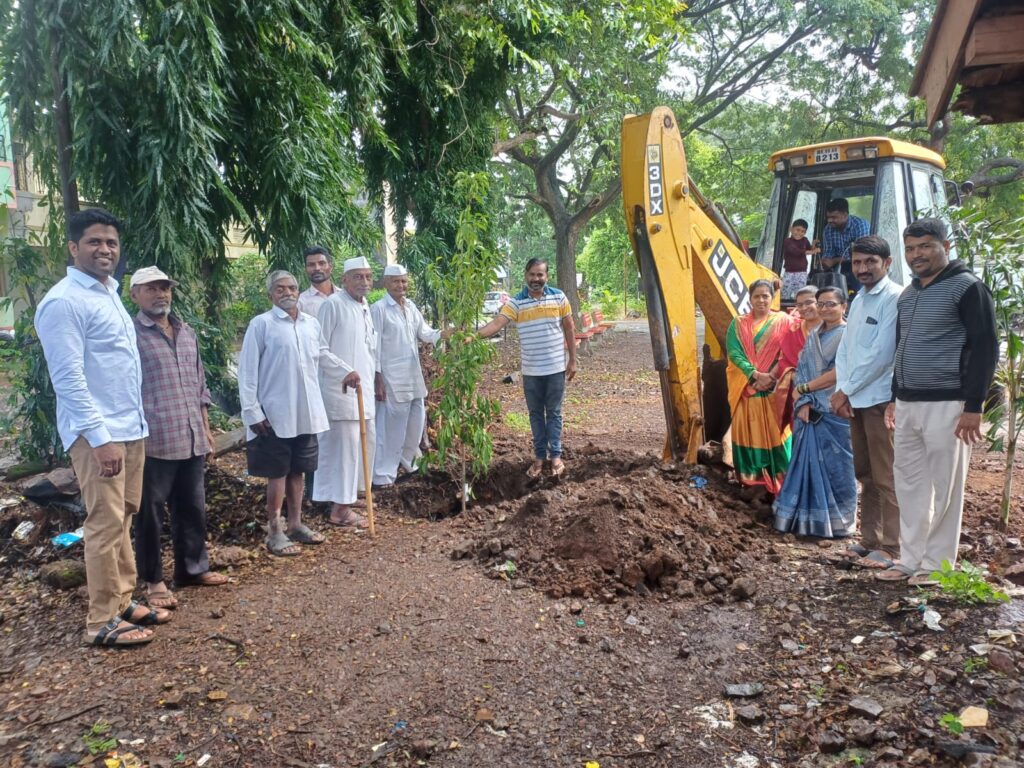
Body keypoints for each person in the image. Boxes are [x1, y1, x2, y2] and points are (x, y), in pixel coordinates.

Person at [36, 209, 170, 647]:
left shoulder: (109, 293)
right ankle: (101, 620)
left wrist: (132, 430)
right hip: (100, 435)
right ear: (73, 248)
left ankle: (122, 600)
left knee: (124, 515)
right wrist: (99, 438)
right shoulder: (63, 302)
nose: (105, 249)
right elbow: (69, 377)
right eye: (94, 242)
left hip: (130, 427)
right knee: (104, 522)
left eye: (111, 242)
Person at [878, 218, 997, 584]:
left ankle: (938, 566)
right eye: (911, 248)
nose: (917, 255)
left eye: (925, 246)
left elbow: (985, 348)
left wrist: (974, 406)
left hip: (949, 403)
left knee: (946, 487)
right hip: (909, 403)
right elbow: (902, 347)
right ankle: (910, 559)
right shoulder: (909, 294)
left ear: (945, 246)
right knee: (909, 484)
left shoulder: (967, 288)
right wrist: (895, 396)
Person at [131, 266, 228, 610]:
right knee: (150, 514)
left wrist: (205, 429)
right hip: (153, 440)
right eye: (152, 289)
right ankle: (153, 580)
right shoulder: (131, 335)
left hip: (190, 436)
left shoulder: (186, 333)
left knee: (192, 508)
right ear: (135, 296)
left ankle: (191, 569)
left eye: (165, 288)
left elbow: (199, 386)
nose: (161, 294)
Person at [238, 270, 347, 555]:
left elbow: (323, 354)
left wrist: (348, 372)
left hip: (306, 411)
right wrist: (252, 412)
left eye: (292, 287)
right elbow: (247, 372)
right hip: (274, 414)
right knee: (277, 473)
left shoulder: (311, 324)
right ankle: (275, 530)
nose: (287, 292)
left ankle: (296, 524)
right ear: (270, 294)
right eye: (280, 288)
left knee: (298, 470)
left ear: (299, 291)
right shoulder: (261, 325)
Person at [831, 236, 903, 569]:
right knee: (866, 473)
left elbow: (882, 355)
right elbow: (846, 350)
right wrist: (844, 388)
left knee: (887, 474)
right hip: (856, 399)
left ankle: (893, 546)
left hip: (878, 400)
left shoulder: (894, 298)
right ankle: (869, 540)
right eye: (857, 262)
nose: (862, 269)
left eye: (870, 262)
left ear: (886, 263)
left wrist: (846, 390)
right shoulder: (858, 299)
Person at [477, 258, 577, 478]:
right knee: (535, 415)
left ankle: (556, 457)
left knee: (554, 413)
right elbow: (496, 324)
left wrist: (573, 360)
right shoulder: (516, 303)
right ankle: (540, 458)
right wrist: (473, 337)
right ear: (526, 276)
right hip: (531, 372)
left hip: (555, 369)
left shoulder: (559, 297)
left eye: (540, 275)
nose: (536, 279)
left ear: (547, 276)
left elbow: (570, 328)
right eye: (532, 274)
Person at [773, 287, 856, 537]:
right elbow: (802, 366)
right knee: (803, 461)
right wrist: (803, 398)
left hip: (833, 409)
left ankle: (840, 522)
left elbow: (842, 371)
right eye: (821, 304)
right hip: (807, 408)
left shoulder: (848, 335)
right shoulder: (814, 334)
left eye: (830, 304)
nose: (824, 309)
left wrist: (805, 389)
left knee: (837, 466)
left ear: (844, 307)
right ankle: (803, 519)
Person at [371, 264, 451, 486]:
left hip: (413, 375)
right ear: (386, 283)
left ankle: (411, 463)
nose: (401, 285)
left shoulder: (411, 307)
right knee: (391, 427)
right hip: (391, 378)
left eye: (404, 281)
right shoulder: (378, 309)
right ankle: (383, 475)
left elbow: (424, 333)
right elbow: (374, 346)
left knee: (416, 421)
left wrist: (444, 334)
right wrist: (377, 378)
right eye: (396, 281)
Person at [313, 257, 379, 526]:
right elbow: (319, 348)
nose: (364, 282)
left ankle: (351, 497)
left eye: (368, 276)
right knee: (345, 450)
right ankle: (339, 509)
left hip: (364, 392)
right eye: (358, 277)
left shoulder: (366, 307)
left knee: (366, 445)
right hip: (341, 392)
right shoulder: (332, 306)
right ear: (344, 280)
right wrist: (344, 371)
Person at [725, 279, 792, 494]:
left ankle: (782, 481)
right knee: (748, 433)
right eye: (757, 296)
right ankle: (752, 482)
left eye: (766, 295)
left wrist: (770, 376)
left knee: (778, 435)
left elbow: (788, 351)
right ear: (750, 298)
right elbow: (734, 352)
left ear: (772, 298)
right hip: (748, 387)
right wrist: (753, 374)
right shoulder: (738, 323)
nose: (761, 300)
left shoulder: (784, 321)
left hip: (774, 390)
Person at [774, 285, 821, 429]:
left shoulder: (832, 329)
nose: (804, 308)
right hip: (799, 393)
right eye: (799, 305)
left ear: (819, 302)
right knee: (800, 437)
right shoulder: (792, 331)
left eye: (809, 302)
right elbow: (783, 363)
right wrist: (800, 381)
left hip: (827, 393)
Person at [820, 198, 869, 295]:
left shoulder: (860, 226)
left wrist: (834, 260)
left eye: (834, 217)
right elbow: (829, 252)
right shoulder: (828, 229)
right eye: (828, 217)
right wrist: (825, 261)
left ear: (845, 215)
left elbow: (862, 254)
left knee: (860, 288)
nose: (830, 220)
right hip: (838, 267)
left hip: (861, 266)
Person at [297, 245, 341, 317]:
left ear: (330, 267)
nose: (317, 268)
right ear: (305, 269)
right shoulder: (300, 302)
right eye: (311, 265)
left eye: (321, 263)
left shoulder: (346, 296)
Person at [780, 220, 819, 300]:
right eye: (797, 230)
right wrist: (813, 252)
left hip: (802, 272)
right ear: (791, 229)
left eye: (803, 231)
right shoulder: (788, 241)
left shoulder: (805, 240)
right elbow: (796, 252)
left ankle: (798, 307)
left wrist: (814, 245)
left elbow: (809, 249)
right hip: (789, 272)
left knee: (800, 293)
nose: (799, 233)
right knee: (785, 292)